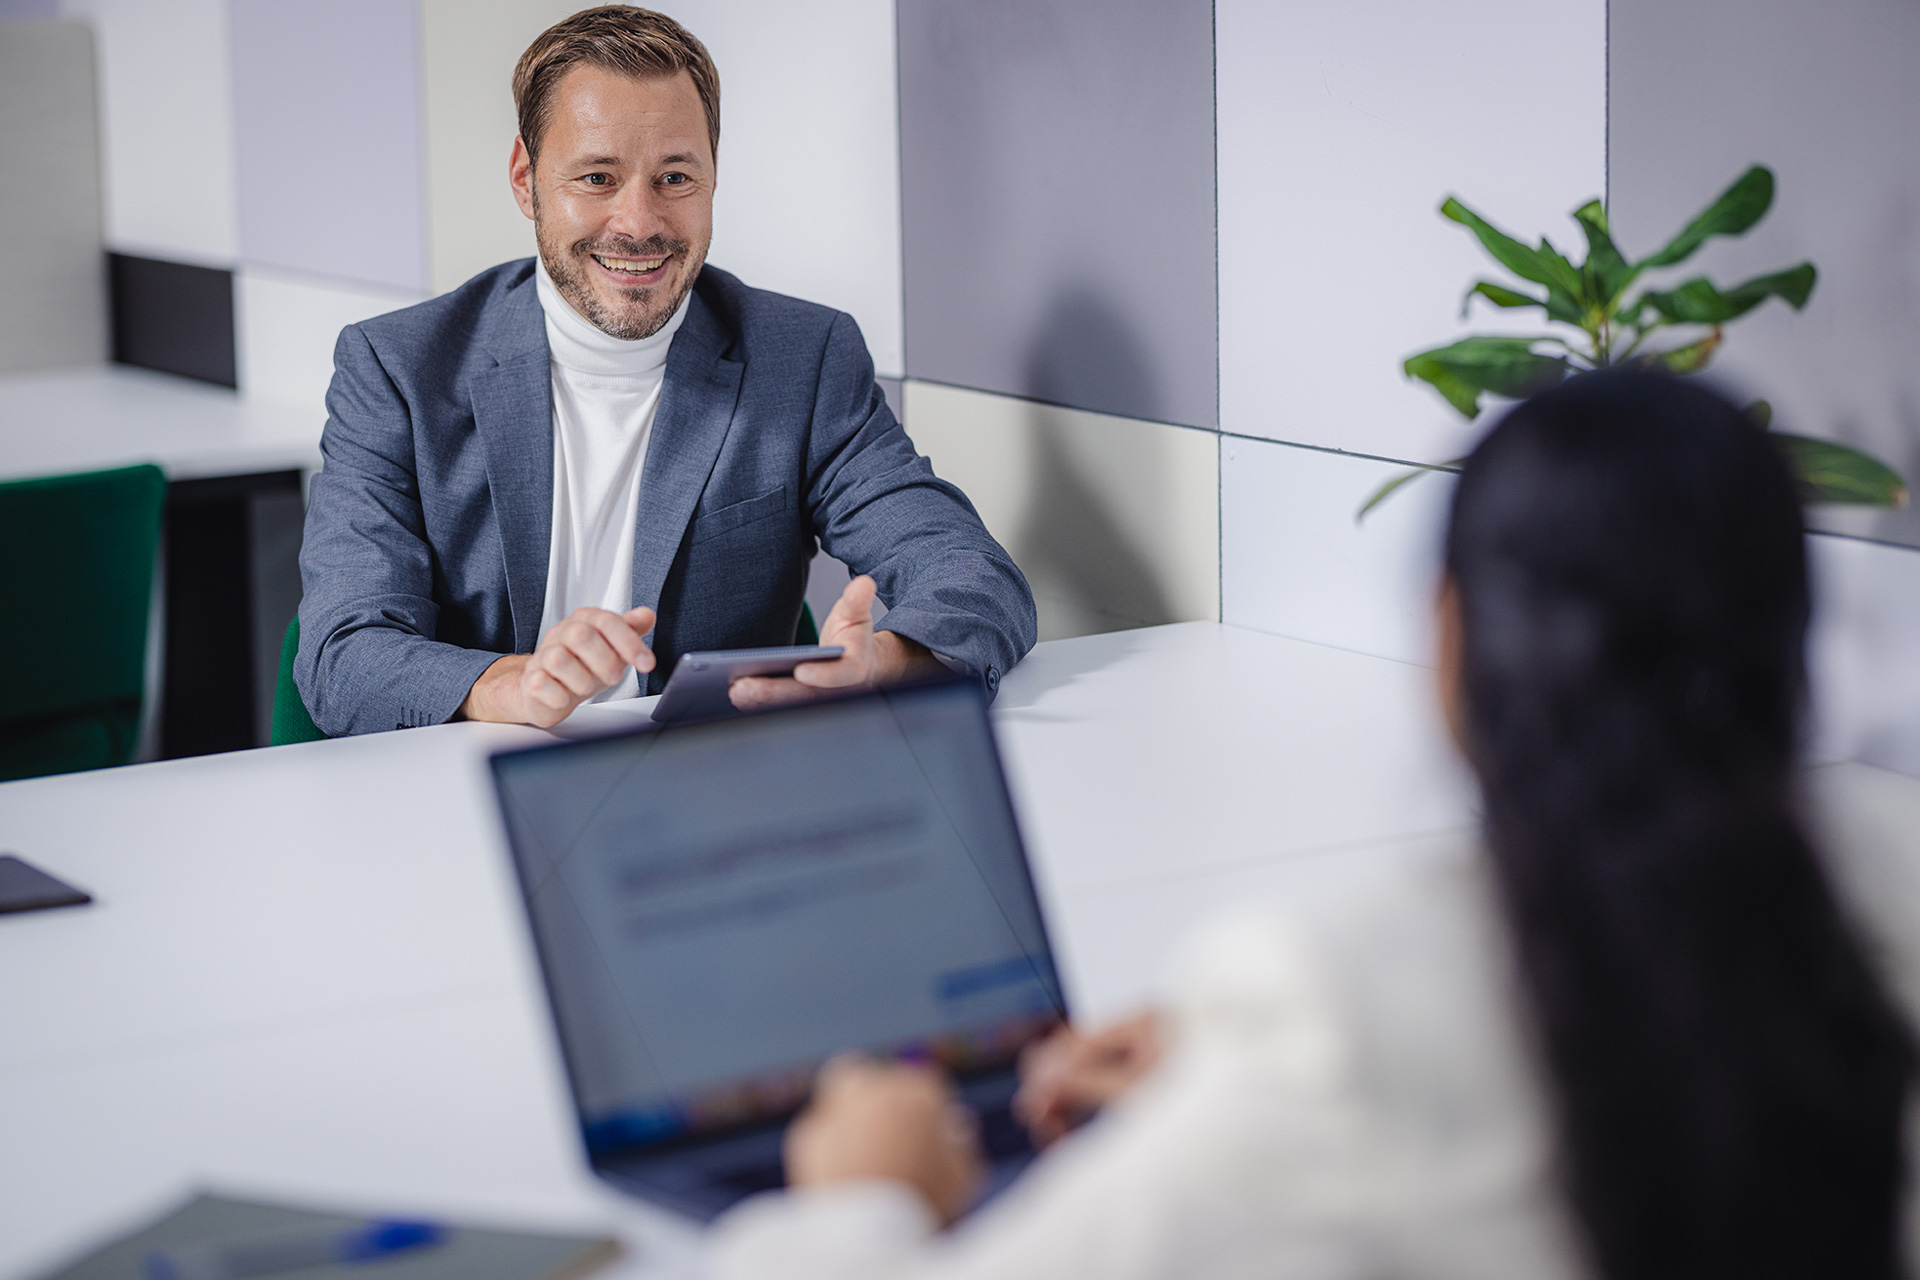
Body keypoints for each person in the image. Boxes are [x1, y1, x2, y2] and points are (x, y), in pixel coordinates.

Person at [709, 369, 1917, 1279]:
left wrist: (866, 1194)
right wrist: (1224, 1083)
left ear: (1447, 642)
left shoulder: (1337, 1006)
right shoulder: (1886, 900)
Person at [295, 6, 1034, 735]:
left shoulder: (803, 359)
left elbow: (971, 575)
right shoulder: (396, 369)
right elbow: (342, 653)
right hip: (470, 790)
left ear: (714, 177)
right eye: (596, 177)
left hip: (709, 797)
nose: (639, 222)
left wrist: (885, 664)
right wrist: (511, 687)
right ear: (526, 180)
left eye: (675, 177)